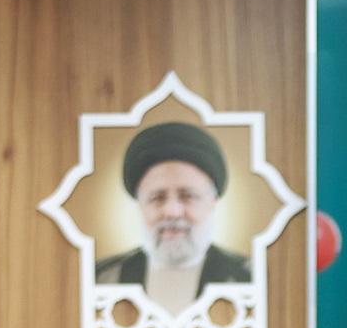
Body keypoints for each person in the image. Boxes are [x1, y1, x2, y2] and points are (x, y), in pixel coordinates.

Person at [95, 121, 252, 313]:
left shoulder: (251, 276)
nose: (172, 211)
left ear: (212, 202)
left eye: (188, 196)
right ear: (140, 204)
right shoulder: (101, 278)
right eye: (157, 198)